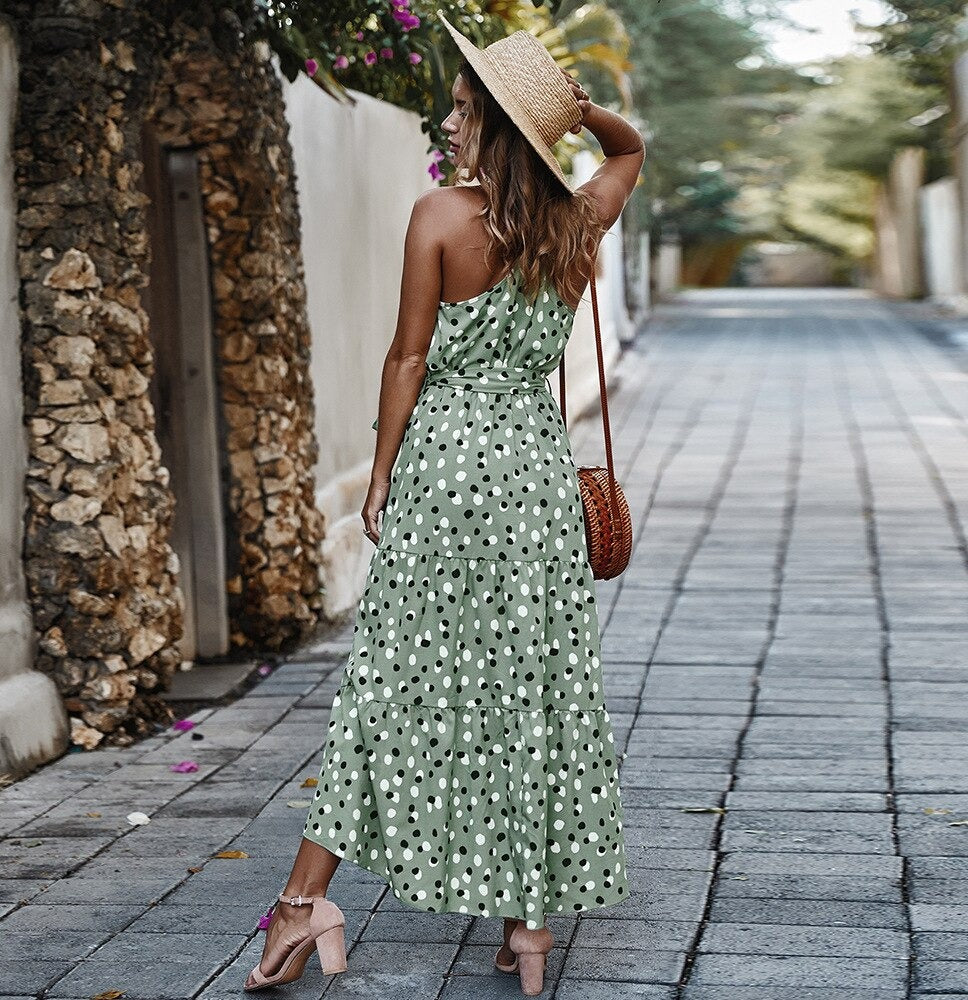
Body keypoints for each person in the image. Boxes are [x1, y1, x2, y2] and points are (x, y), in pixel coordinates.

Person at [244, 12, 646, 997]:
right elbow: (629, 148)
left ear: (499, 129)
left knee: (391, 688)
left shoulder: (437, 220)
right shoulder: (573, 222)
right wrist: (572, 110)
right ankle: (530, 929)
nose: (451, 126)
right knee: (535, 693)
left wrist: (381, 471)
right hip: (533, 484)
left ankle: (304, 902)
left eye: (467, 112)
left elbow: (407, 358)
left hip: (444, 477)